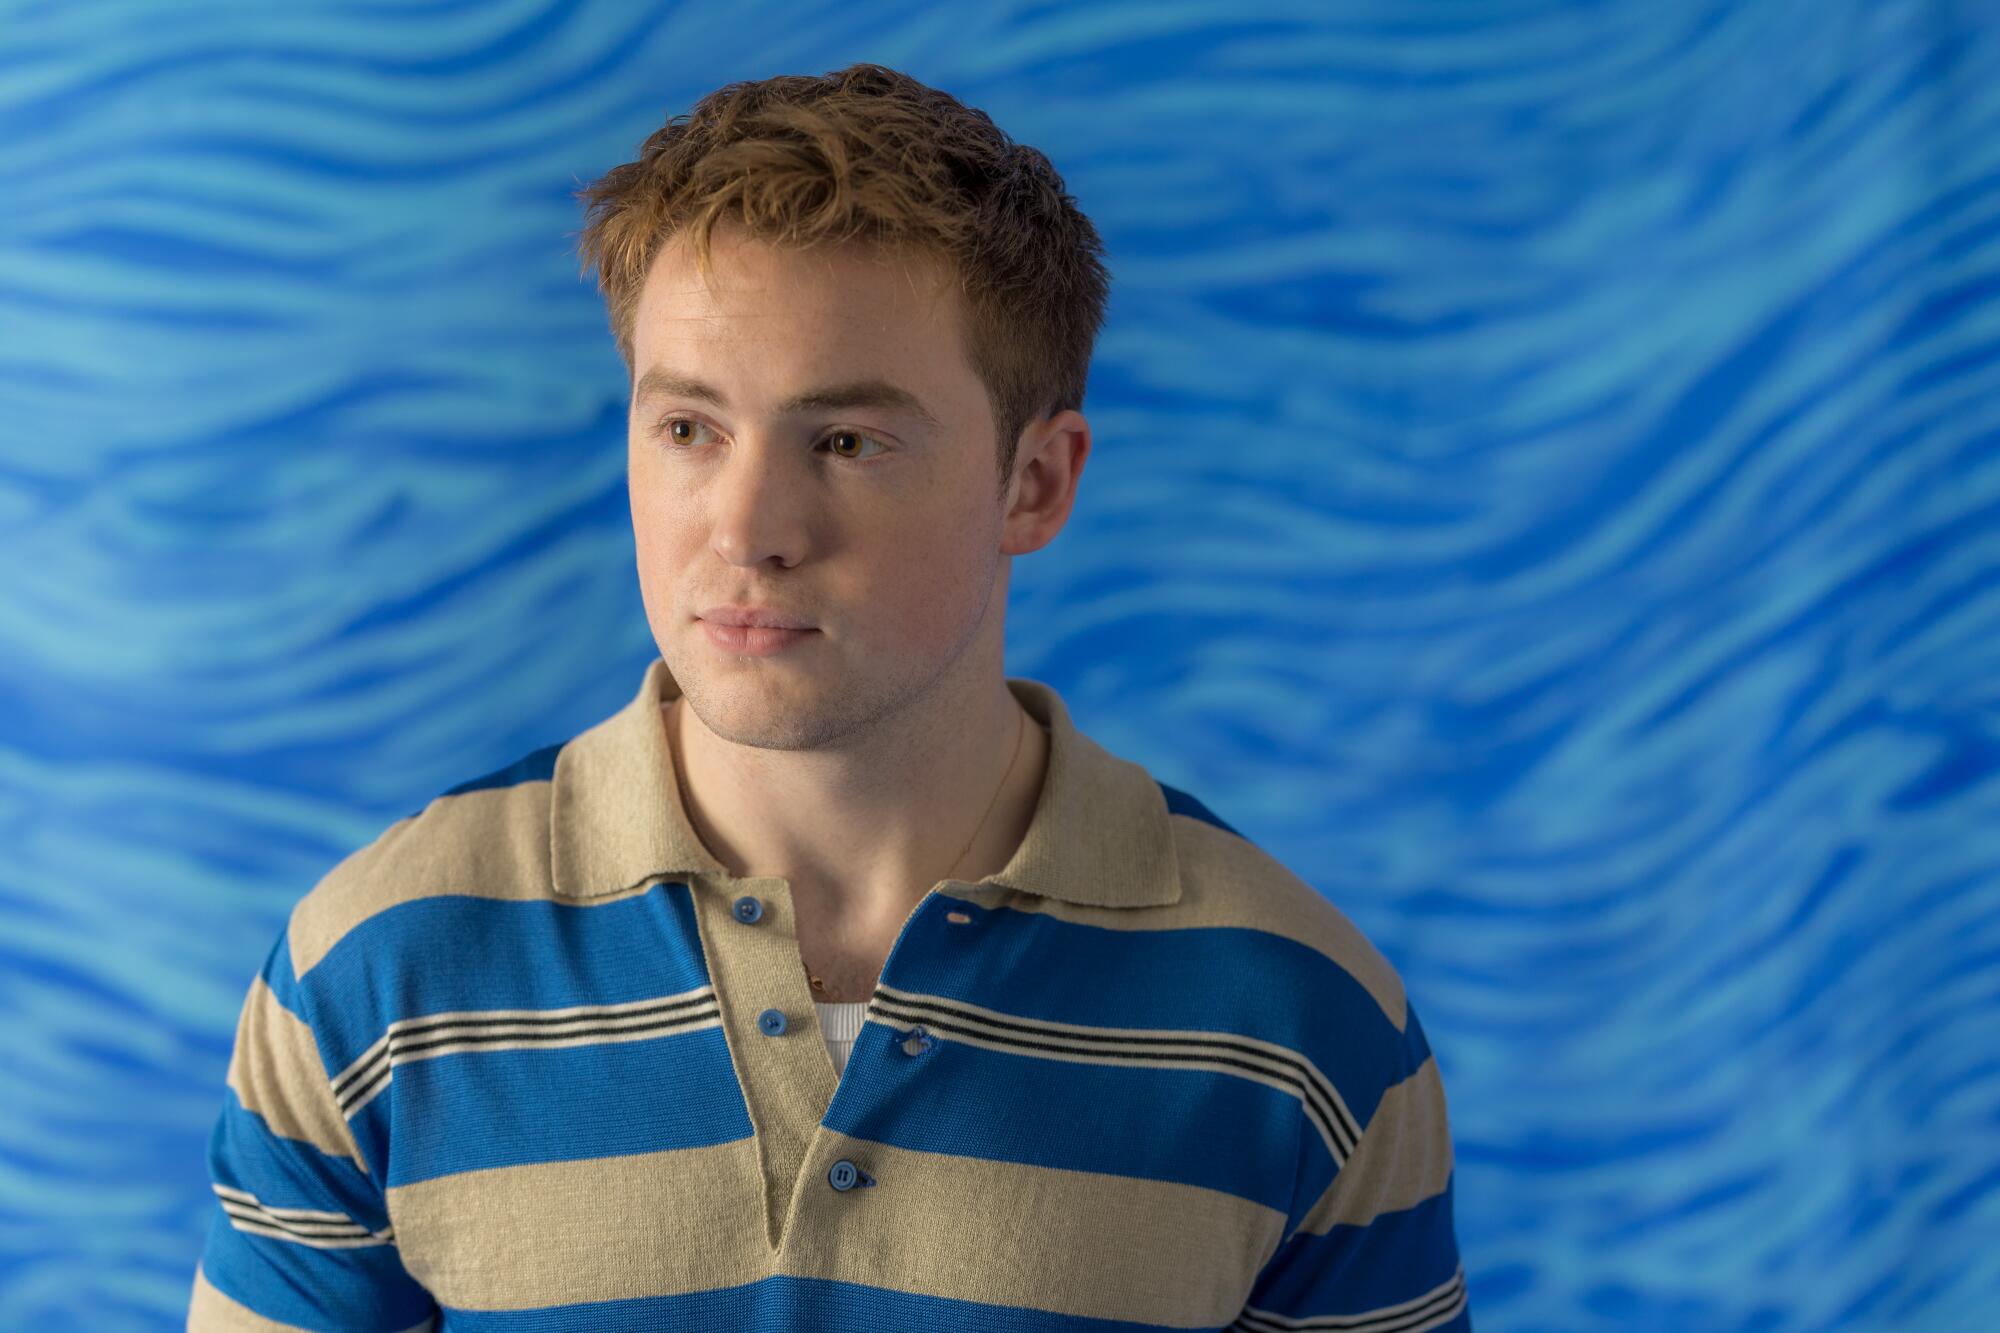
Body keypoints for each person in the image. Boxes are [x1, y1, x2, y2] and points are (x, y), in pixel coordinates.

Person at [189, 62, 1469, 1331]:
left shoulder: (1298, 1016)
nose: (745, 530)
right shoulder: (373, 974)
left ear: (1034, 482)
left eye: (846, 441)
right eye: (688, 429)